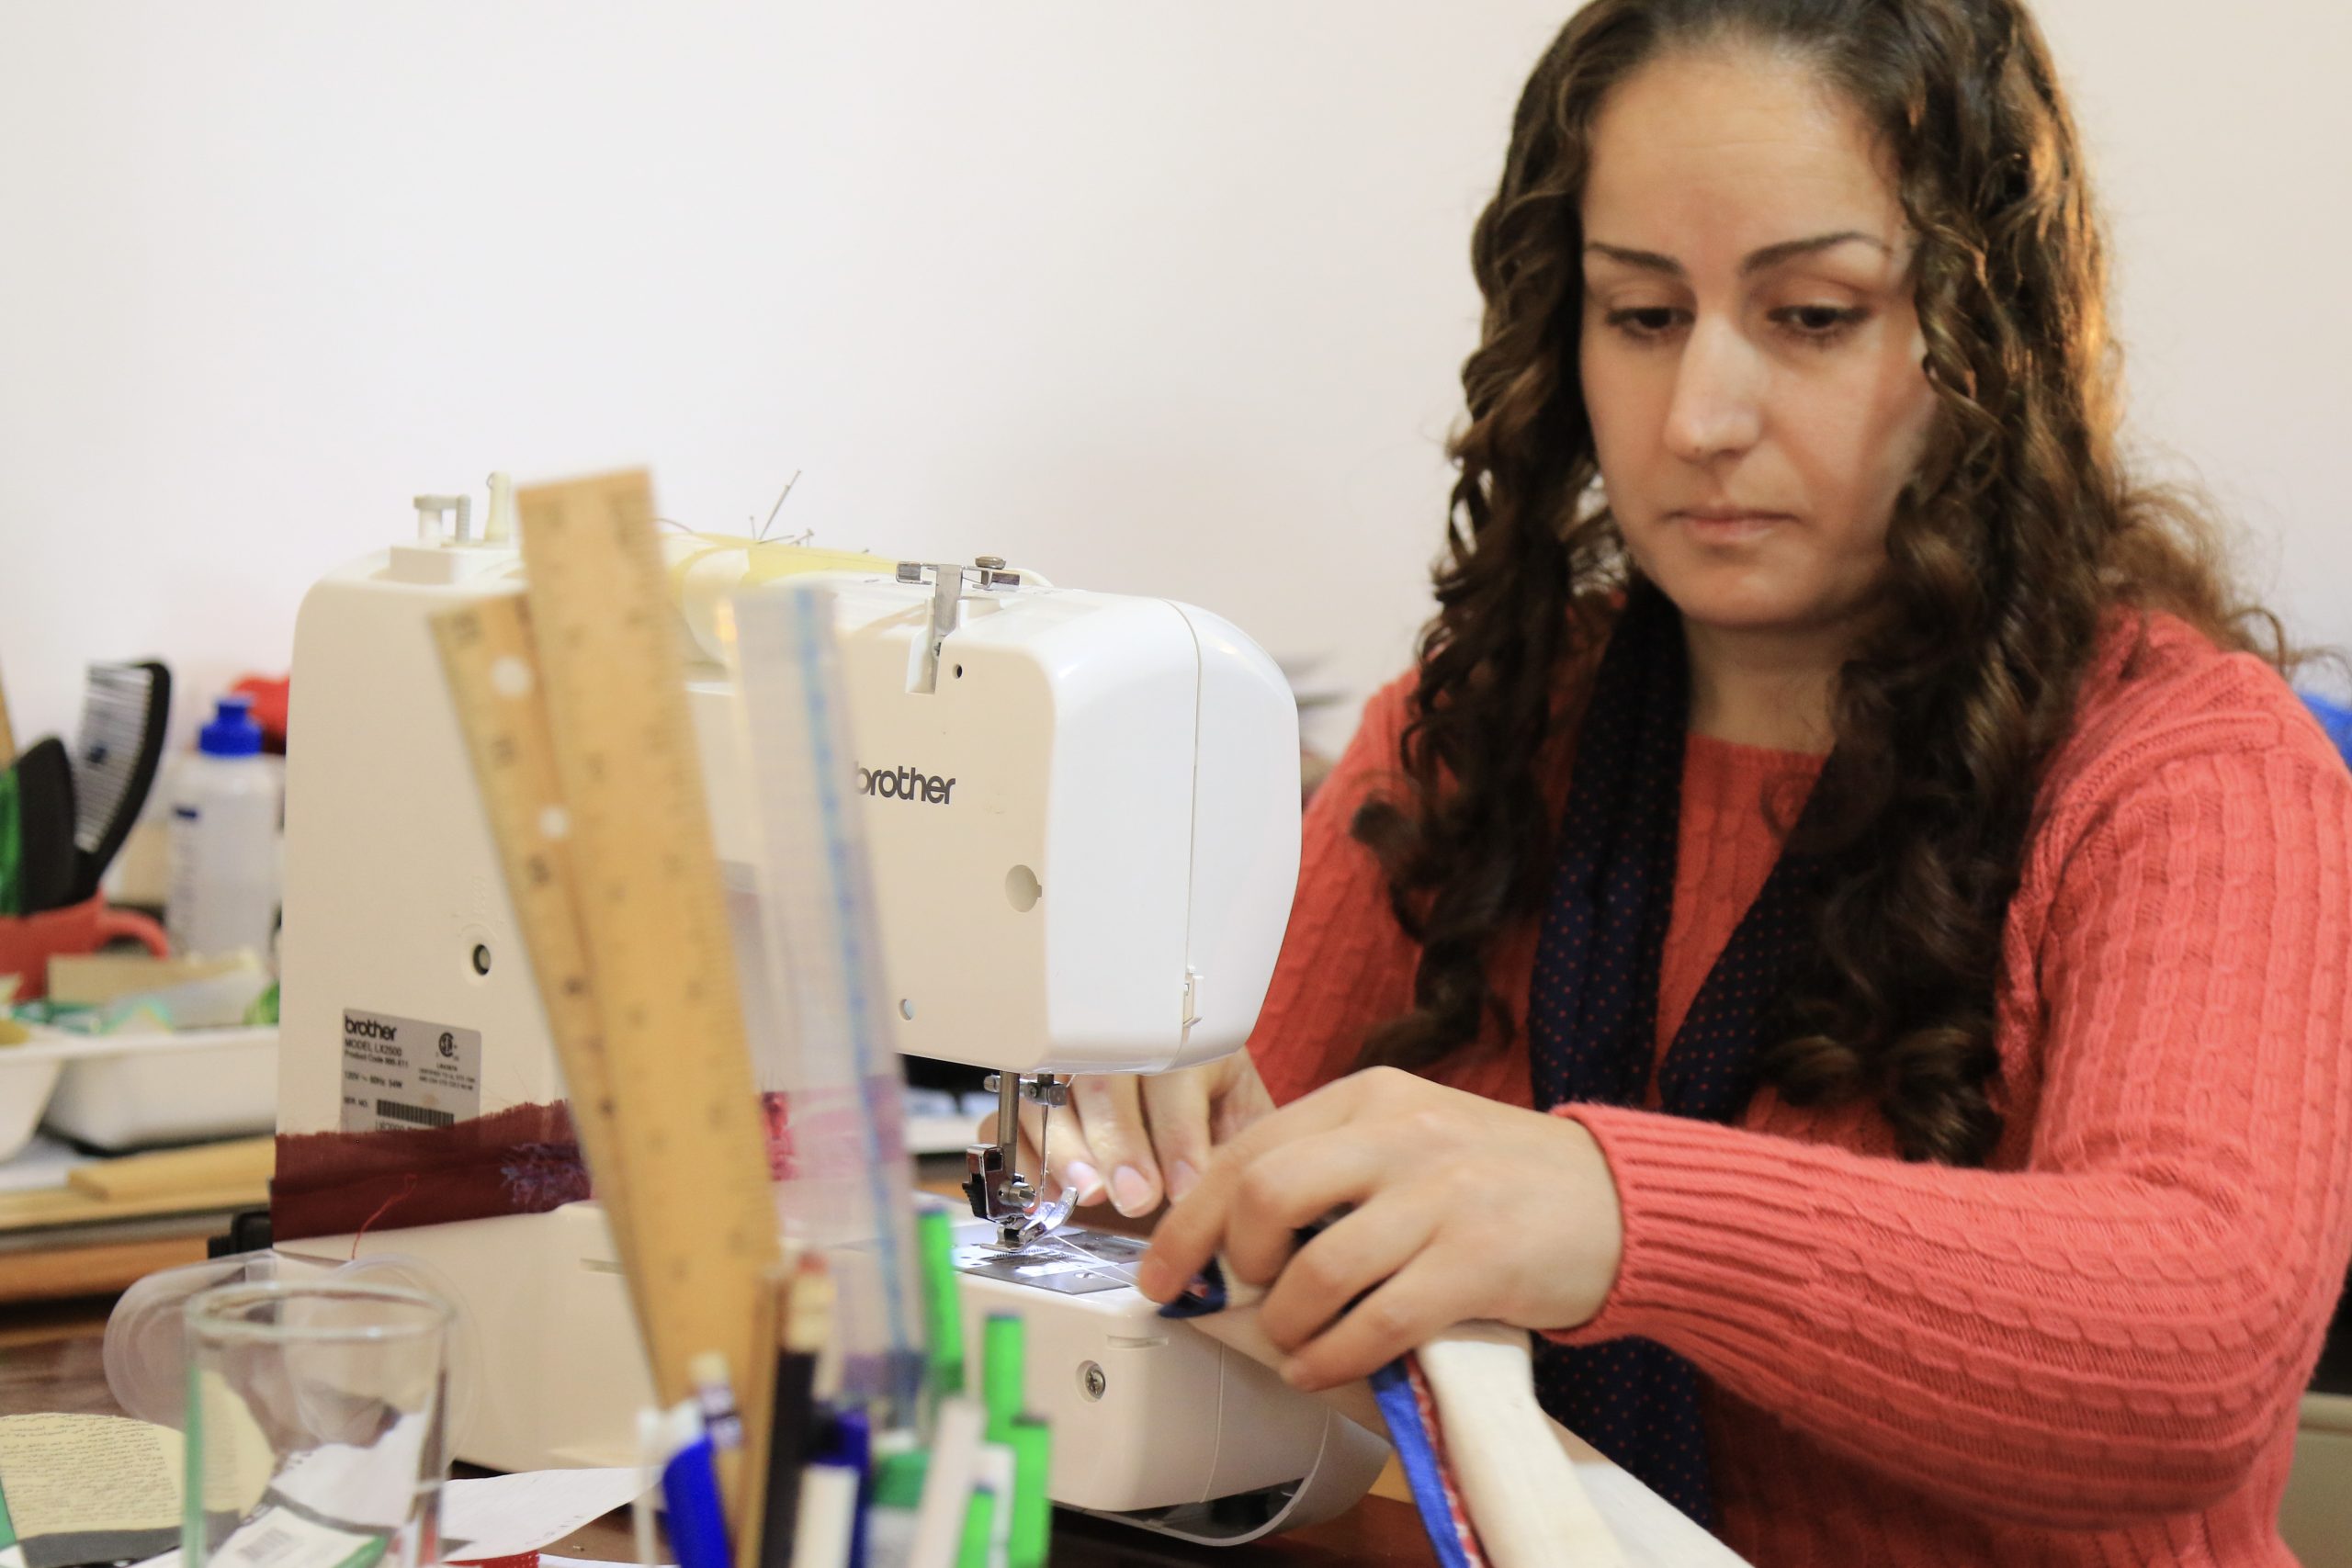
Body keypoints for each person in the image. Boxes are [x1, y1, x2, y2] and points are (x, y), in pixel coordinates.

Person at [1013, 0, 2352, 1561]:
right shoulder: (1469, 740)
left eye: (1815, 316)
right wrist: (1132, 1178)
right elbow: (1232, 1274)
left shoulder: (2188, 770)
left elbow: (2199, 1357)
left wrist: (1611, 1213)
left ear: (1988, 338)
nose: (1703, 419)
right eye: (1644, 316)